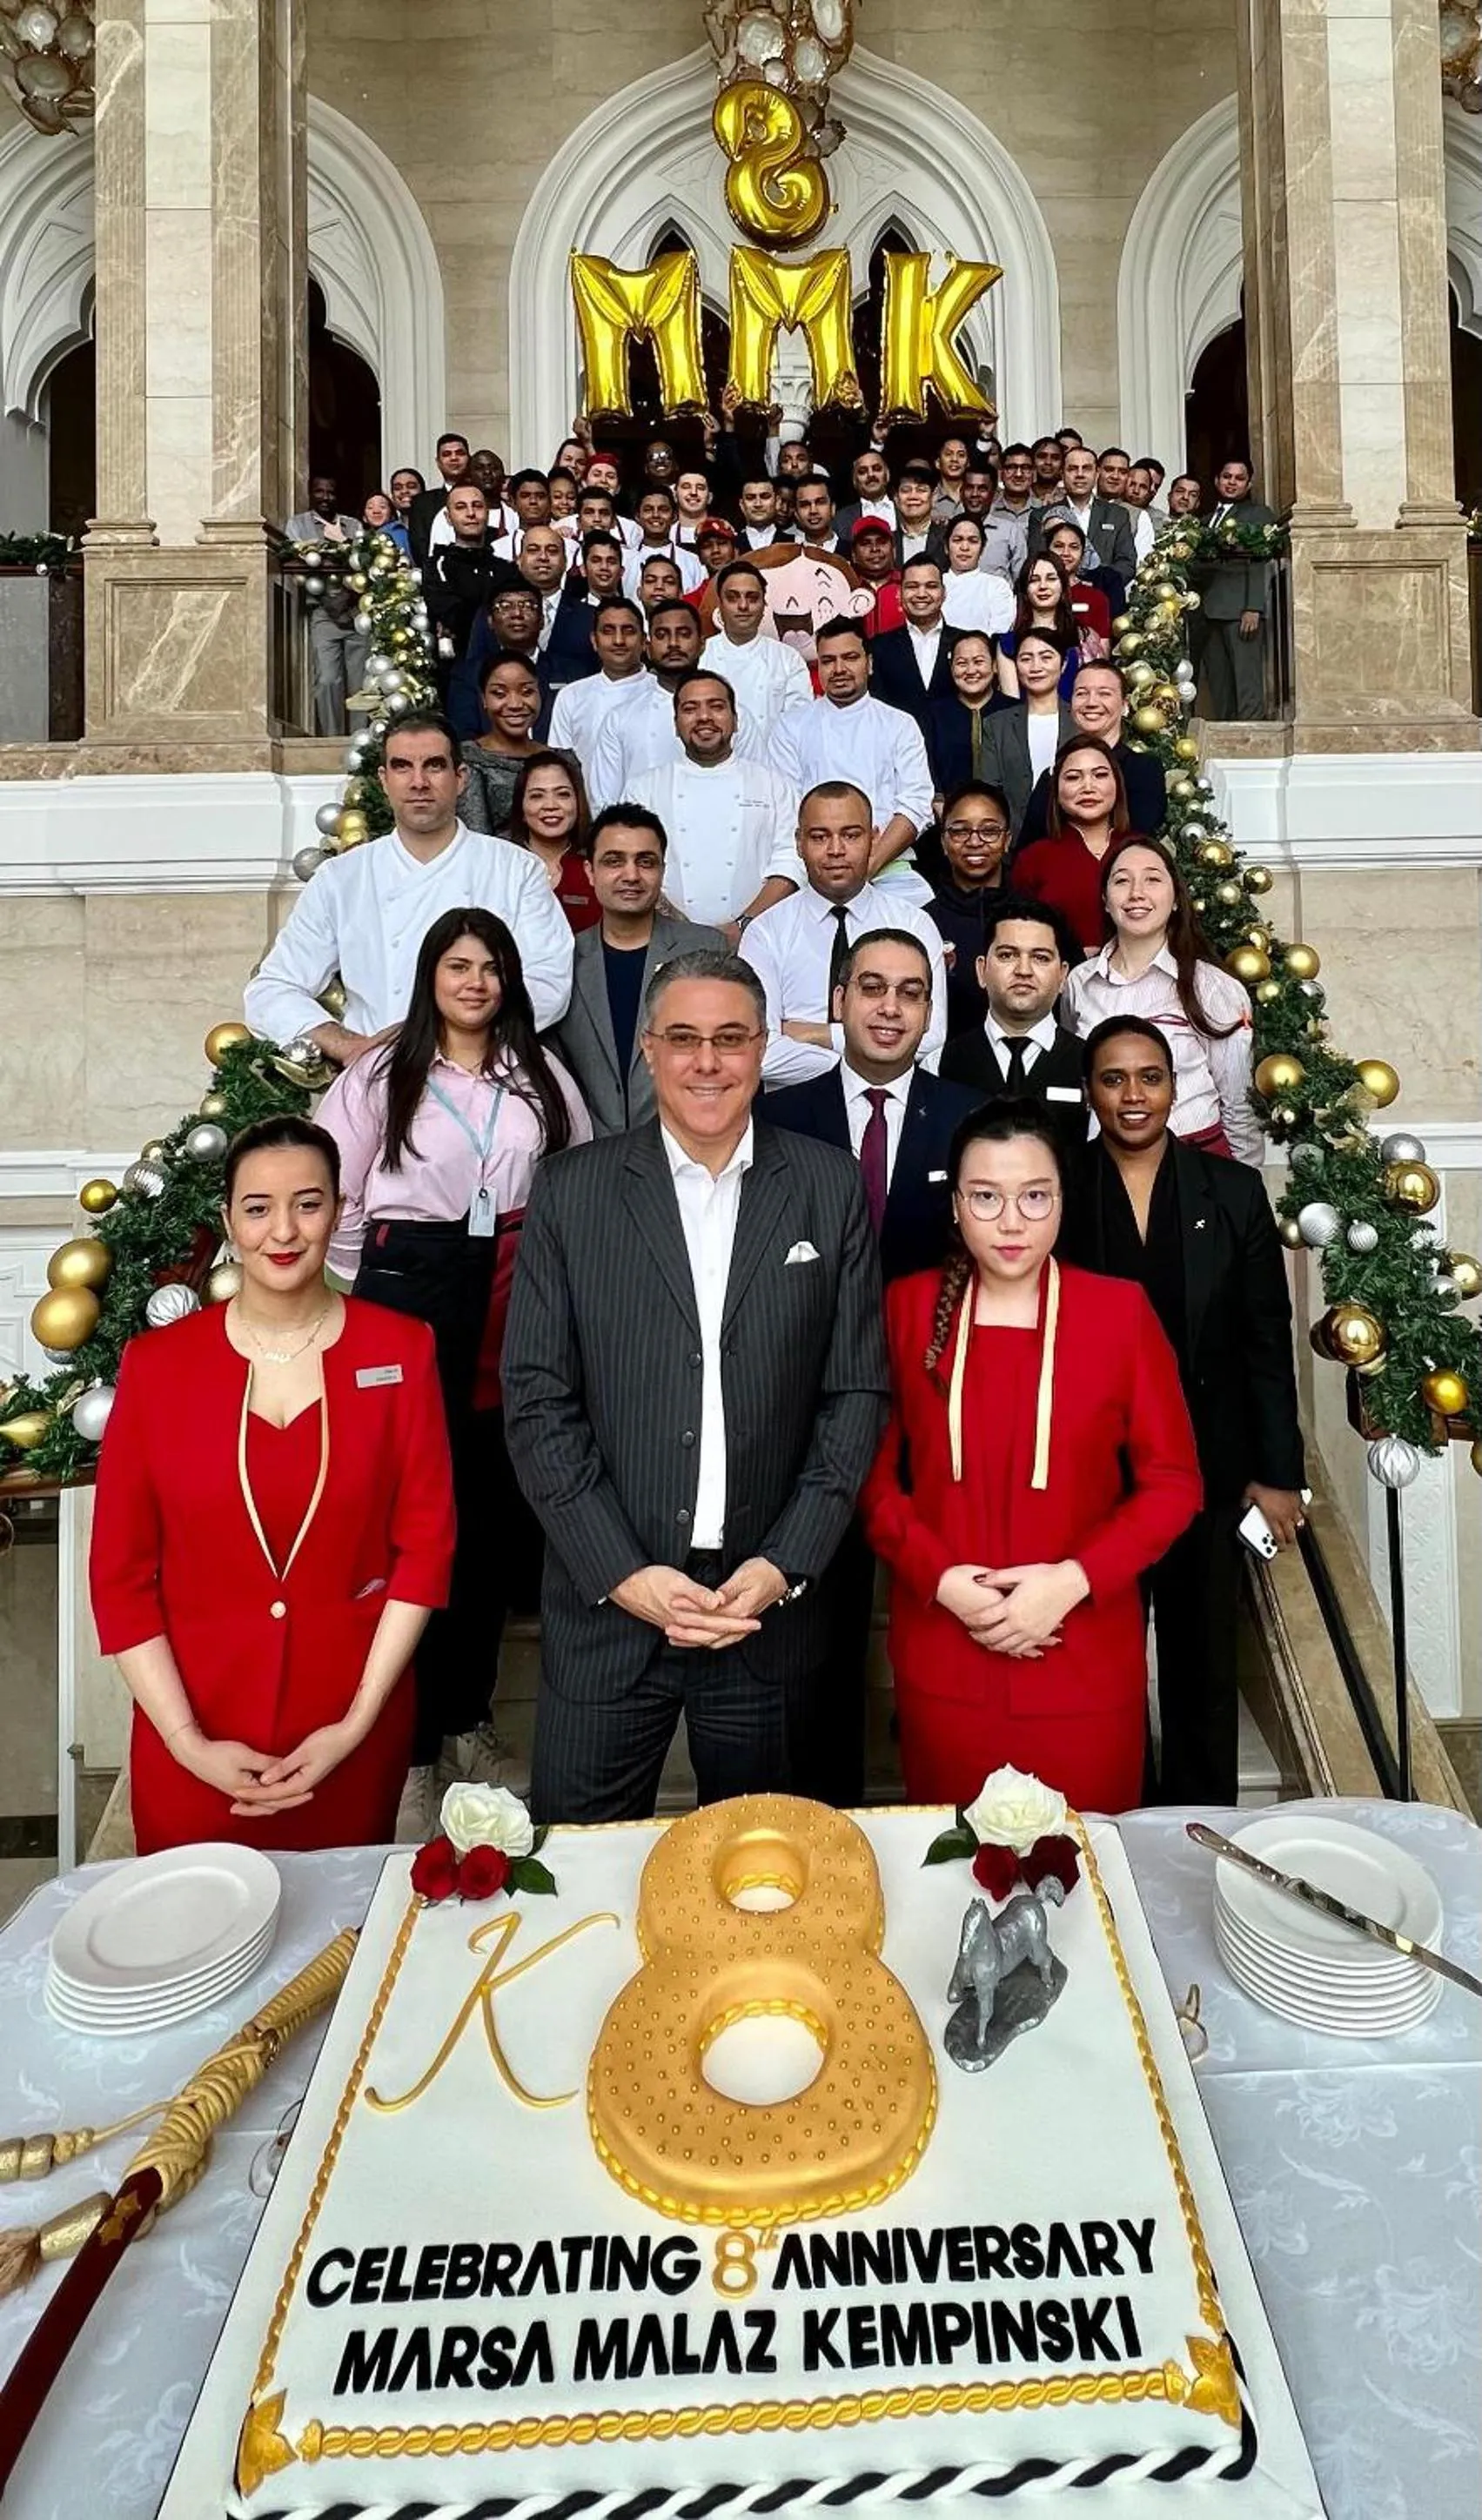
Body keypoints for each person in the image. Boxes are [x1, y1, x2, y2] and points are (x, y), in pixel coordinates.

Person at [502, 948, 889, 1824]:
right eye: (683, 1038)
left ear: (760, 1048)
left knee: (762, 1895)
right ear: (647, 1049)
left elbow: (854, 1395)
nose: (705, 1062)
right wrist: (623, 1572)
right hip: (610, 1615)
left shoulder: (826, 1188)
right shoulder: (573, 1193)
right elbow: (535, 1401)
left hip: (763, 1617)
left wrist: (782, 1564)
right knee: (580, 1874)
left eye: (728, 1038)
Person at [90, 1116, 454, 1852]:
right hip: (193, 1735)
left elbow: (424, 1550)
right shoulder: (157, 1367)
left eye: (308, 1203)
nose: (283, 1230)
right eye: (258, 1208)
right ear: (228, 1220)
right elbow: (121, 1578)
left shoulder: (401, 1350)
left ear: (341, 1209)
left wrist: (356, 1722)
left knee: (341, 1953)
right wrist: (188, 1744)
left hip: (348, 1733)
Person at [318, 915, 588, 1826]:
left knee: (483, 1520)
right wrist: (376, 1277)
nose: (474, 982)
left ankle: (468, 1719)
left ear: (510, 980)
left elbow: (578, 1178)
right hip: (409, 1294)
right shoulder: (378, 1075)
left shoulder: (538, 1075)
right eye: (456, 965)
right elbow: (333, 1190)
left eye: (489, 967)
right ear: (429, 974)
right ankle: (414, 1743)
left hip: (511, 1295)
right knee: (411, 1520)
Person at [860, 1100, 1201, 1813]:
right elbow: (868, 1479)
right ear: (954, 1205)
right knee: (954, 1876)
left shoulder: (1119, 1313)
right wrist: (942, 1579)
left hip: (1080, 1654)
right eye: (985, 1197)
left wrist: (1072, 1581)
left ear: (1061, 1203)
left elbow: (1173, 1485)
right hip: (945, 1651)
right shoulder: (906, 1308)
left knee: (1086, 1882)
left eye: (1033, 1196)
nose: (1010, 1221)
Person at [763, 929, 982, 1806]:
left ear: (929, 1012)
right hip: (810, 1407)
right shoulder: (782, 1116)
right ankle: (828, 1810)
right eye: (872, 988)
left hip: (939, 1405)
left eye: (910, 992)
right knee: (822, 1614)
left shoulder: (968, 1117)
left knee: (940, 1598)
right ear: (838, 998)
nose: (889, 1008)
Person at [1060, 1016, 1304, 1800]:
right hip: (1091, 1475)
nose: (1133, 1096)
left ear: (1174, 1087)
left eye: (1149, 1077)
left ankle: (1199, 1834)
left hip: (1205, 1466)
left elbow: (1267, 1338)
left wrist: (1277, 1473)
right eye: (1113, 1078)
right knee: (1102, 1662)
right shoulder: (1058, 1187)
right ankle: (1112, 1821)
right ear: (1090, 1091)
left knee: (1202, 1660)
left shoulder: (1231, 1191)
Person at [245, 712, 573, 1054]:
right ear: (384, 781)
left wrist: (454, 1039)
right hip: (376, 1077)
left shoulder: (516, 870)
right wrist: (349, 1046)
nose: (419, 782)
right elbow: (272, 989)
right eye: (402, 767)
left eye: (433, 766)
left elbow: (548, 982)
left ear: (460, 778)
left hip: (484, 1074)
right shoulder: (341, 878)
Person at [1063, 837, 1259, 1162]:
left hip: (1196, 1159)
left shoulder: (1212, 987)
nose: (1136, 893)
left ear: (1177, 899)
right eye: (1122, 880)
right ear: (1105, 899)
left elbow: (1238, 1103)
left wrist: (1243, 1185)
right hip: (1104, 1166)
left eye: (1153, 879)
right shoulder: (1079, 983)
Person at [742, 780, 949, 1084]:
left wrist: (816, 1034)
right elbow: (757, 1052)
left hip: (890, 1109)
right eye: (819, 836)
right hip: (791, 1110)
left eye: (851, 835)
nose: (836, 850)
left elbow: (931, 1037)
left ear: (874, 839)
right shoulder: (766, 932)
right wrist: (868, 1061)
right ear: (799, 842)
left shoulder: (913, 924)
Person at [554, 807, 727, 1134]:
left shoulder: (706, 949)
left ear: (662, 870)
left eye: (645, 861)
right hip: (588, 1154)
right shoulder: (563, 956)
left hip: (686, 1146)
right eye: (614, 861)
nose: (631, 875)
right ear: (590, 871)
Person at [627, 671, 801, 938]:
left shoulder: (773, 785)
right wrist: (678, 926)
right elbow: (634, 863)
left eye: (716, 706)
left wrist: (743, 925)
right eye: (690, 709)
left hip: (757, 935)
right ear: (676, 724)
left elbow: (791, 862)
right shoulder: (643, 789)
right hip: (668, 936)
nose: (704, 717)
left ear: (736, 719)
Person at [768, 620, 934, 883]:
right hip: (813, 871)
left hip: (888, 866)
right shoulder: (792, 726)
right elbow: (787, 808)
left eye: (850, 658)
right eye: (828, 661)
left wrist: (870, 863)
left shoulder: (899, 724)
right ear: (819, 667)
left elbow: (917, 803)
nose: (839, 669)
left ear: (868, 664)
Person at [938, 895, 1089, 1143]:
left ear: (1063, 976)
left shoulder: (1091, 1065)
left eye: (1040, 957)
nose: (1023, 970)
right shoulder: (939, 1064)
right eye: (1008, 955)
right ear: (981, 970)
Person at [589, 599, 758, 803]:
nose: (673, 644)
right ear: (648, 647)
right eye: (662, 635)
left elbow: (755, 786)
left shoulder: (734, 716)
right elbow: (605, 802)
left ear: (702, 644)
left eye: (684, 634)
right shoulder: (620, 718)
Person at [1016, 659, 1168, 843]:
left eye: (1104, 693)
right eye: (1081, 693)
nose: (1091, 703)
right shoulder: (1052, 775)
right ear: (1070, 705)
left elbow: (1139, 840)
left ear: (1125, 706)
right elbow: (1028, 850)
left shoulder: (1144, 769)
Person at [1011, 732, 1130, 948]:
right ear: (1056, 790)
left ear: (1117, 784)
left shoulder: (1142, 850)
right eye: (1074, 777)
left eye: (1100, 775)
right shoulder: (1034, 858)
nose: (1088, 787)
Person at [922, 781, 1012, 1034]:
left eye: (989, 830)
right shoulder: (922, 922)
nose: (975, 841)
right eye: (960, 831)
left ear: (1007, 840)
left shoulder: (1036, 918)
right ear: (943, 842)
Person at [1189, 457, 1276, 720]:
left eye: (1239, 478)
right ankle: (1226, 733)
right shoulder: (1203, 521)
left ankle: (1251, 734)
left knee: (1246, 677)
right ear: (1217, 480)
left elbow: (1261, 560)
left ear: (1249, 484)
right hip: (1208, 609)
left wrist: (1253, 607)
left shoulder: (1258, 515)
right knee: (1218, 680)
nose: (1232, 483)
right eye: (1227, 477)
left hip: (1240, 609)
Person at [285, 476, 368, 736]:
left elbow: (365, 561)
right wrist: (329, 599)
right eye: (319, 492)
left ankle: (359, 740)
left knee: (360, 684)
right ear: (310, 494)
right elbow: (294, 561)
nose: (325, 497)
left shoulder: (353, 525)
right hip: (322, 612)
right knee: (328, 679)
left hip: (357, 610)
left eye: (330, 492)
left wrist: (342, 541)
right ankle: (331, 739)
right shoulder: (298, 524)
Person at [459, 651, 573, 836]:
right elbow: (478, 841)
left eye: (527, 692)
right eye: (500, 694)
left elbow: (582, 832)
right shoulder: (469, 759)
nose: (515, 704)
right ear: (484, 700)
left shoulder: (564, 760)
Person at [976, 633, 1077, 835]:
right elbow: (987, 792)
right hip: (1012, 843)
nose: (1036, 667)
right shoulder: (997, 725)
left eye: (1046, 657)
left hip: (1073, 837)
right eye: (1026, 658)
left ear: (1064, 664)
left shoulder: (1080, 720)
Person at [701, 559, 814, 728]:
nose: (743, 606)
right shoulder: (701, 655)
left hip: (773, 754)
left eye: (752, 598)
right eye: (732, 598)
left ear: (764, 606)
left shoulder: (788, 659)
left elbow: (799, 722)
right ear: (720, 606)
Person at [547, 593, 649, 768]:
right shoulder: (571, 697)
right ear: (594, 641)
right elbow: (561, 768)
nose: (619, 641)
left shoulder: (666, 694)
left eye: (628, 631)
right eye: (608, 631)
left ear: (644, 641)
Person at [505, 749, 600, 932]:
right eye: (537, 796)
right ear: (521, 808)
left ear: (578, 802)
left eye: (562, 794)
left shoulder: (600, 863)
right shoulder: (501, 865)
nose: (550, 805)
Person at [871, 557, 956, 738]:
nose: (921, 594)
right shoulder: (879, 647)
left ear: (944, 593)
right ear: (900, 593)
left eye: (931, 586)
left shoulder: (964, 642)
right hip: (897, 749)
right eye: (912, 586)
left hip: (957, 751)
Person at [1030, 444, 1137, 583]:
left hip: (1105, 597)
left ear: (1097, 473)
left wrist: (1097, 584)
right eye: (1073, 469)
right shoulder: (1041, 515)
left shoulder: (1118, 515)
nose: (1080, 474)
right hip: (1057, 598)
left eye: (1086, 468)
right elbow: (1037, 562)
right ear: (1062, 474)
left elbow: (1126, 564)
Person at [925, 628, 1009, 795]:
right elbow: (927, 768)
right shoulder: (933, 714)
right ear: (951, 668)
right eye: (962, 663)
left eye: (978, 662)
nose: (971, 671)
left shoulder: (1014, 711)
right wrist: (938, 799)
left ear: (994, 666)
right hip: (947, 812)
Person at [996, 554, 1081, 700]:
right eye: (1034, 580)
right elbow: (1012, 706)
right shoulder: (1008, 644)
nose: (1043, 586)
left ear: (1063, 585)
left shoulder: (1081, 638)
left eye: (1051, 579)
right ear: (1025, 591)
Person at [622, 485, 707, 596]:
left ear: (674, 517)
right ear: (638, 517)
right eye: (648, 510)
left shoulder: (693, 562)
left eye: (663, 510)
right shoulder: (624, 560)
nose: (656, 515)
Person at [1042, 519, 1113, 650]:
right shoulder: (1037, 591)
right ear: (1047, 550)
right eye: (1058, 546)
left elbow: (1103, 649)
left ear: (1083, 554)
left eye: (1074, 547)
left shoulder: (1095, 598)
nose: (1066, 553)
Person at [940, 515, 1016, 638]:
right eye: (958, 540)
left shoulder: (997, 586)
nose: (964, 548)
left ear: (982, 548)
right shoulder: (934, 584)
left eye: (973, 541)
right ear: (946, 547)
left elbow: (1000, 632)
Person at [408, 434, 472, 563]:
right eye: (447, 454)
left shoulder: (484, 499)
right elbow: (420, 549)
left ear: (469, 459)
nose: (454, 458)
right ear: (438, 462)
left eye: (460, 453)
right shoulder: (422, 503)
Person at [849, 516, 906, 633]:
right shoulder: (846, 589)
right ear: (854, 555)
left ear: (894, 551)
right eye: (866, 543)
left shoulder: (908, 585)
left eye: (881, 542)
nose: (875, 549)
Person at [794, 473, 842, 553]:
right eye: (805, 505)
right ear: (796, 513)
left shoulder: (853, 553)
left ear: (833, 508)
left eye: (820, 503)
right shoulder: (787, 555)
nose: (813, 511)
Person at [361, 489, 410, 560]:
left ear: (392, 515)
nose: (376, 511)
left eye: (382, 507)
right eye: (370, 507)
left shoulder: (398, 532)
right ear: (364, 518)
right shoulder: (364, 539)